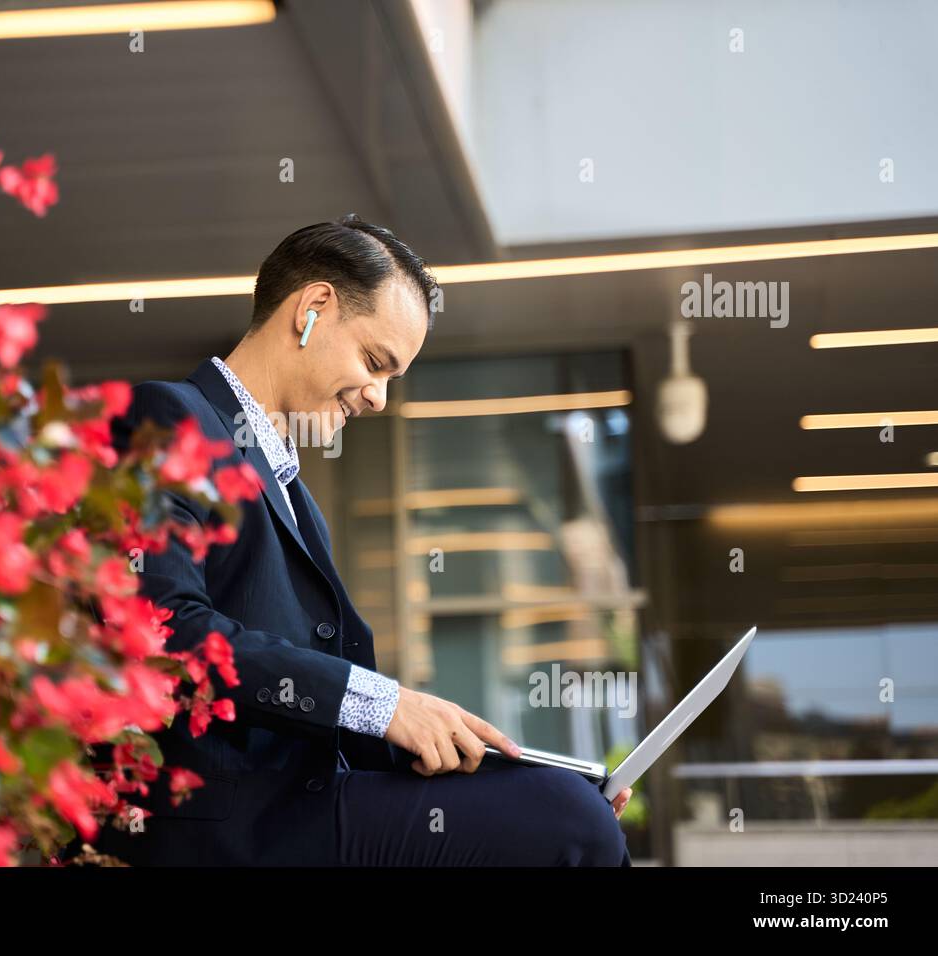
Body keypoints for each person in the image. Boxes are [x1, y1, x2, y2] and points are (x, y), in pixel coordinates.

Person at [91, 214, 633, 866]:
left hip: (306, 803)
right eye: (375, 362)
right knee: (570, 823)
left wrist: (497, 765)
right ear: (313, 308)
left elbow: (337, 715)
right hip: (234, 824)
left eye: (392, 379)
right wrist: (384, 703)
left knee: (563, 805)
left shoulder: (296, 499)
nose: (378, 398)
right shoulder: (169, 416)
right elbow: (164, 627)